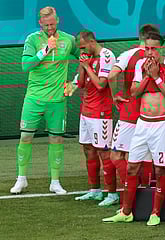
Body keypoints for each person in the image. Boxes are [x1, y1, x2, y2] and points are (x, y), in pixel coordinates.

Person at [102, 31, 165, 226]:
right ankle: (126, 211)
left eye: (153, 48)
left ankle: (155, 213)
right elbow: (134, 92)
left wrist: (156, 78)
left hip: (162, 125)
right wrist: (148, 76)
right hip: (142, 123)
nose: (149, 52)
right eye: (147, 48)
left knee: (160, 170)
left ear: (161, 48)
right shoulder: (140, 65)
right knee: (131, 165)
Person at [11, 6, 80, 194]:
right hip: (34, 98)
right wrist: (45, 50)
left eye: (52, 23)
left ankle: (55, 182)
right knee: (25, 136)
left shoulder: (69, 39)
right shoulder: (32, 39)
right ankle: (21, 179)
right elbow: (26, 66)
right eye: (46, 24)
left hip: (58, 99)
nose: (50, 27)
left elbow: (85, 59)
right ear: (40, 23)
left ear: (57, 20)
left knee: (56, 138)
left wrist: (75, 83)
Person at [72, 30, 118, 206]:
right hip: (86, 110)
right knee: (88, 149)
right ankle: (95, 191)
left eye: (83, 47)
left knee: (104, 152)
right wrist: (82, 65)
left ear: (92, 42)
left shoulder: (107, 55)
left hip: (101, 112)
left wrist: (87, 67)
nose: (82, 52)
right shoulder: (87, 57)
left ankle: (112, 194)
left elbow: (100, 84)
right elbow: (82, 84)